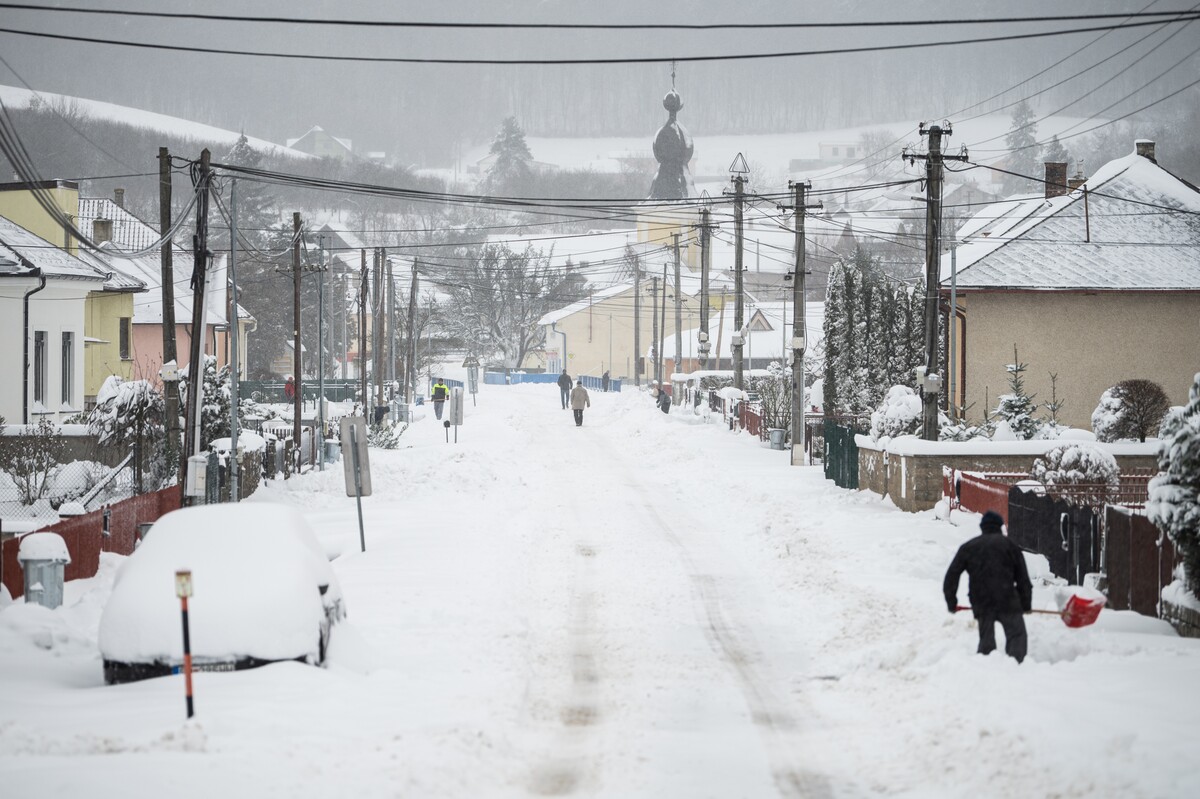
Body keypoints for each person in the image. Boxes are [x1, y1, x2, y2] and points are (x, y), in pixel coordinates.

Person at [943, 510, 1033, 663]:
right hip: (1007, 599)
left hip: (981, 601)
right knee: (1017, 636)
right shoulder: (1010, 546)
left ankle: (986, 667)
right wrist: (1024, 605)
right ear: (1000, 526)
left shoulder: (969, 547)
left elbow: (951, 576)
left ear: (982, 527)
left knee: (986, 640)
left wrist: (952, 602)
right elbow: (1023, 579)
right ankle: (1017, 667)